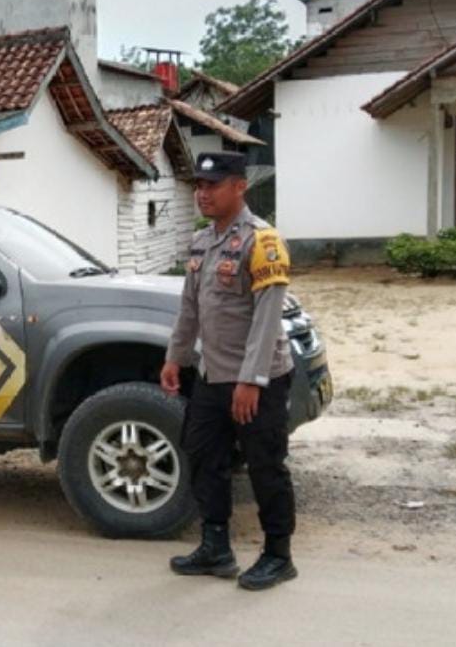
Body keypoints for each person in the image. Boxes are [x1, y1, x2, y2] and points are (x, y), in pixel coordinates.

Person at [160, 151, 298, 591]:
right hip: (212, 375)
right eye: (198, 185)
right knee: (203, 458)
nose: (202, 193)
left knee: (265, 466)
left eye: (212, 185)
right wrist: (175, 357)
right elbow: (190, 308)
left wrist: (251, 381)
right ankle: (215, 546)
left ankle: (278, 555)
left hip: (260, 380)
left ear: (240, 186)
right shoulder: (202, 242)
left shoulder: (264, 241)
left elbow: (267, 317)